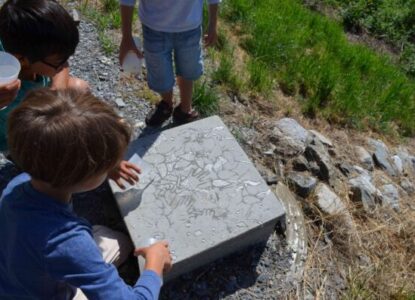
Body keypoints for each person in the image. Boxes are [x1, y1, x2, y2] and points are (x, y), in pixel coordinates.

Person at [0, 88, 172, 299]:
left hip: (14, 278)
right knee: (121, 244)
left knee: (117, 240)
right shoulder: (67, 242)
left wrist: (104, 167)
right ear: (85, 176)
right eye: (105, 164)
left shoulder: (17, 186)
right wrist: (154, 267)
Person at [0, 0, 88, 151]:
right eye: (58, 62)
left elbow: (62, 66)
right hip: (13, 137)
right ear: (22, 59)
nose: (64, 64)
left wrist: (56, 92)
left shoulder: (21, 44)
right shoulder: (7, 87)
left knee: (79, 88)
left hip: (34, 110)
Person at [119, 0, 220, 126]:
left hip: (190, 28)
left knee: (188, 69)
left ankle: (185, 108)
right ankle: (166, 104)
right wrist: (126, 37)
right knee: (160, 74)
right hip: (154, 28)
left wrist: (213, 24)